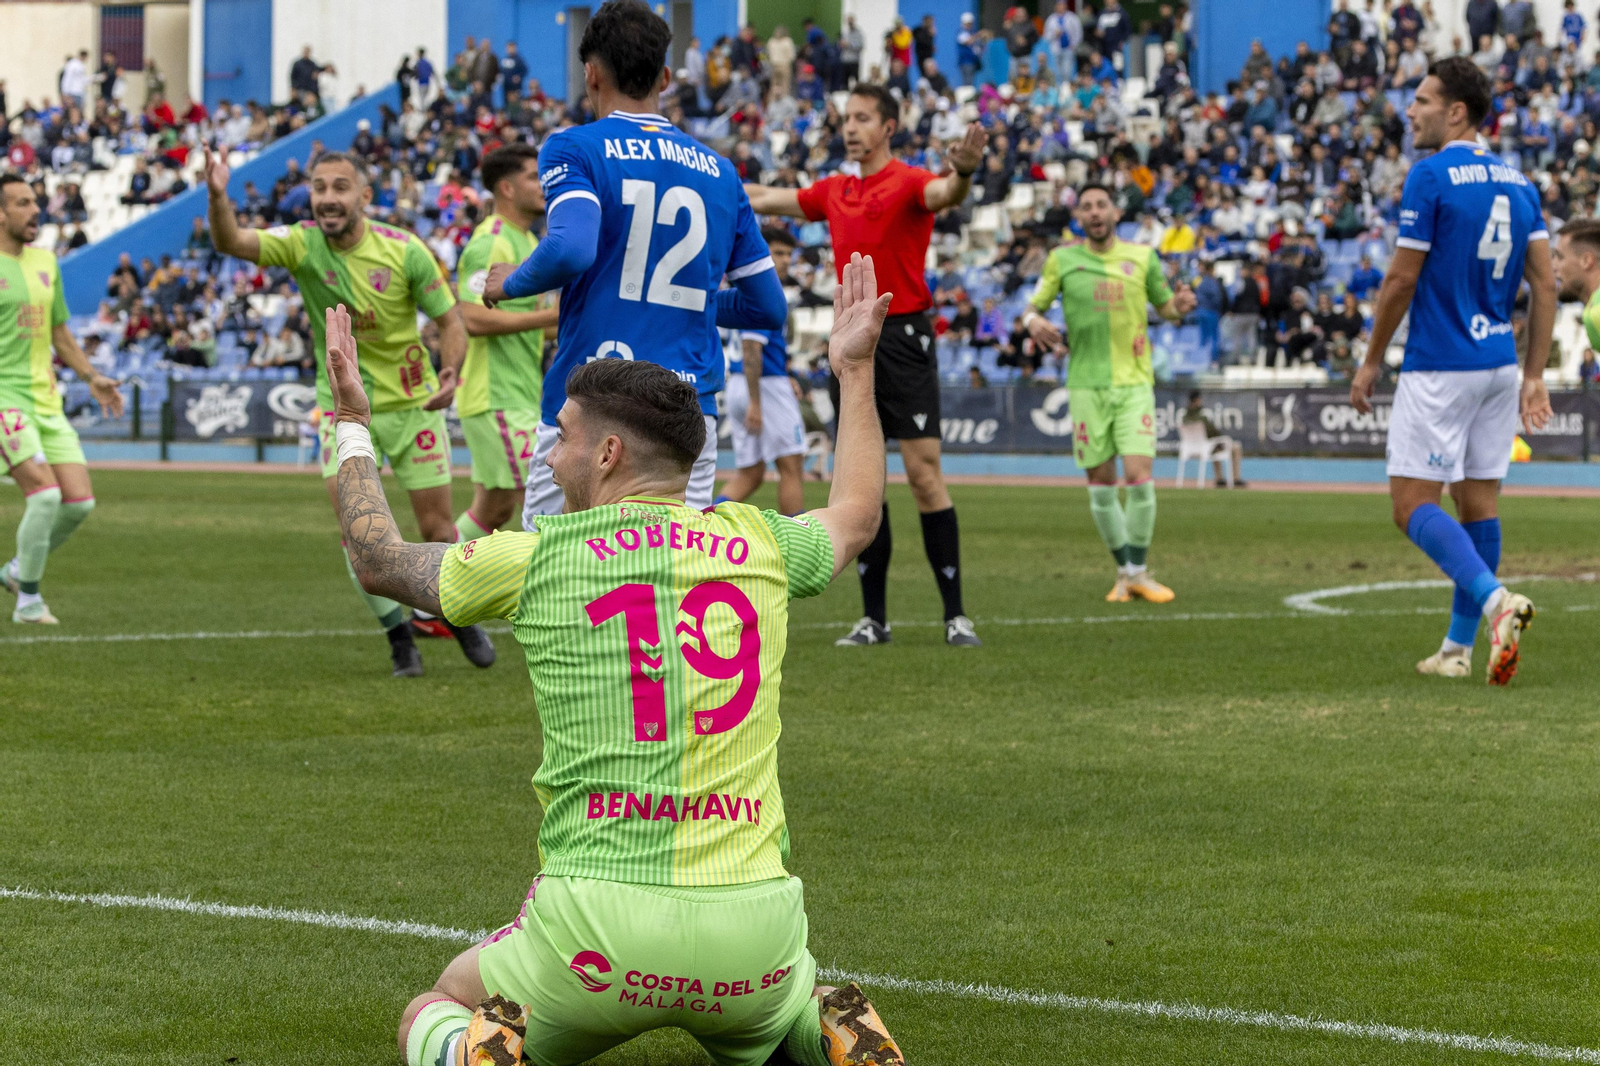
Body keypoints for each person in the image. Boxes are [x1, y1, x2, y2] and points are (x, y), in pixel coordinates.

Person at [322, 254, 905, 1066]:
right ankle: (828, 1026)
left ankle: (474, 1053)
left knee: (444, 998)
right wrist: (853, 369)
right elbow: (855, 516)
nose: (551, 455)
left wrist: (351, 421)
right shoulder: (758, 540)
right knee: (786, 1011)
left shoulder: (538, 555)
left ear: (605, 455)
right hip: (757, 932)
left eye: (561, 436)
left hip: (595, 937)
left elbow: (379, 560)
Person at [482, 0, 786, 523]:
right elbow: (767, 309)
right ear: (665, 77)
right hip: (685, 410)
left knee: (551, 580)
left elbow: (572, 247)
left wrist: (511, 283)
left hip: (591, 402)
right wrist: (687, 299)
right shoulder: (721, 172)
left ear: (591, 73)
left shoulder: (574, 147)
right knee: (669, 584)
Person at [203, 147, 494, 677]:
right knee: (355, 527)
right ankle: (399, 638)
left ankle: (456, 612)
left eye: (341, 187)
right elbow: (229, 241)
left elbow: (451, 321)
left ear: (364, 196)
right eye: (319, 187)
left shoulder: (404, 250)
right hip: (342, 406)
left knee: (437, 527)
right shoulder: (302, 245)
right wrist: (219, 194)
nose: (328, 198)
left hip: (413, 404)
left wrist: (451, 371)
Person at [744, 83, 989, 648]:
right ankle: (873, 621)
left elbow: (946, 193)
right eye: (845, 118)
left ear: (889, 127)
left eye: (862, 118)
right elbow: (765, 197)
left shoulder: (907, 182)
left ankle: (955, 615)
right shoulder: (833, 189)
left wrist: (968, 172)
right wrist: (702, 173)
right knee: (861, 484)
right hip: (851, 338)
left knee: (925, 476)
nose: (850, 127)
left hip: (902, 335)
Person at [1350, 57, 1553, 685]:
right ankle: (1457, 651)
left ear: (1456, 111)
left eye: (1422, 100)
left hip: (1441, 363)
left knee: (1410, 505)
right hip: (1497, 364)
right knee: (1478, 504)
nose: (1410, 111)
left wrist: (1370, 359)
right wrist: (1535, 374)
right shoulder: (1521, 182)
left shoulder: (1430, 175)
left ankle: (1497, 604)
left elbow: (1401, 278)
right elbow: (1545, 284)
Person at [1023, 183, 1197, 603]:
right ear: (1078, 218)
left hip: (1135, 382)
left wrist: (1180, 306)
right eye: (1086, 207)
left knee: (1139, 477)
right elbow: (1034, 307)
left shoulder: (1142, 257)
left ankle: (1136, 572)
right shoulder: (1062, 260)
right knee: (1100, 484)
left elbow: (1165, 306)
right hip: (1085, 385)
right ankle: (1126, 573)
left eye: (1102, 204)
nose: (1095, 212)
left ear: (1116, 213)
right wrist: (1032, 323)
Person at [0, 174, 123, 624]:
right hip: (4, 398)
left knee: (79, 503)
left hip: (45, 400)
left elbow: (59, 333)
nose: (36, 210)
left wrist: (91, 377)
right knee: (45, 496)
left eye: (36, 202)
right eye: (23, 203)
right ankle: (28, 600)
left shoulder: (46, 263)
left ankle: (17, 569)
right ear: (1, 212)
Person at [454, 143, 559, 539]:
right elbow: (475, 318)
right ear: (507, 189)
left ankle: (430, 595)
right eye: (534, 176)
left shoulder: (529, 243)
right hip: (495, 395)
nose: (543, 185)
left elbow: (538, 324)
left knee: (493, 508)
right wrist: (553, 317)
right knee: (551, 493)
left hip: (519, 392)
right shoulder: (490, 241)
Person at [718, 227, 807, 517]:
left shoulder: (746, 290)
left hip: (741, 384)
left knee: (751, 473)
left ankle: (701, 527)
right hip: (763, 386)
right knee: (791, 466)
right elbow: (751, 349)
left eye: (788, 254)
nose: (785, 260)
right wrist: (756, 402)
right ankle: (796, 551)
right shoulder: (763, 290)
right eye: (778, 253)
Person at [1180, 391, 1246, 487]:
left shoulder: (1184, 418)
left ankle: (1219, 478)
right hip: (1207, 447)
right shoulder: (1202, 417)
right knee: (1234, 446)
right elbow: (1213, 432)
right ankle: (1236, 479)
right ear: (1197, 400)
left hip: (1189, 449)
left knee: (1215, 446)